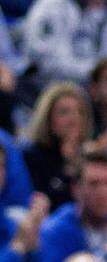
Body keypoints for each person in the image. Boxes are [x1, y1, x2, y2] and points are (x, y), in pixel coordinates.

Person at [22, 82, 93, 210]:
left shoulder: (90, 154)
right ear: (47, 118)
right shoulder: (31, 154)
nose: (74, 119)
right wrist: (68, 168)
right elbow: (43, 202)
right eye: (64, 112)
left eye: (80, 112)